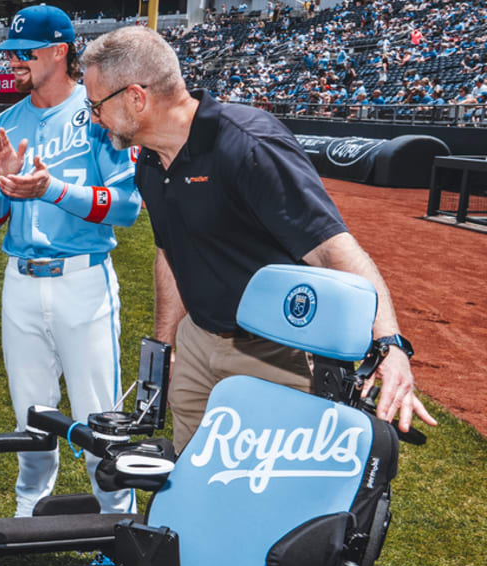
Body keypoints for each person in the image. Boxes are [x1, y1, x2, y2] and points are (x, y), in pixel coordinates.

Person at [81, 25, 436, 452]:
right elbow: (169, 254)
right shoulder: (151, 163)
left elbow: (332, 248)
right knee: (190, 481)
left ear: (137, 98)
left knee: (271, 492)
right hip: (198, 342)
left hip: (276, 353)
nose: (93, 116)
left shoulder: (248, 145)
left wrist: (390, 346)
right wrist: (165, 347)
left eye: (96, 104)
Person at [0, 4, 142, 520]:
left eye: (26, 53)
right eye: (11, 53)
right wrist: (4, 182)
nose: (14, 62)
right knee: (31, 415)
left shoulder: (99, 113)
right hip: (20, 282)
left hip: (82, 279)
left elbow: (128, 207)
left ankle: (118, 520)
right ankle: (31, 509)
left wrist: (52, 188)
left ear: (60, 51)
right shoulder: (1, 125)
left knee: (99, 415)